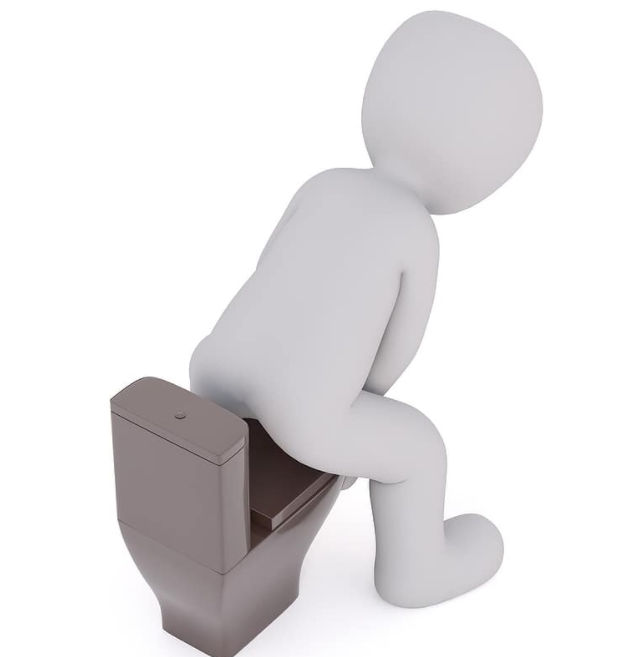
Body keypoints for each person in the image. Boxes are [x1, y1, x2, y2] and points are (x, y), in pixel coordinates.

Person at [190, 11, 542, 607]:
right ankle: (416, 571)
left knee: (300, 409)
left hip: (213, 366)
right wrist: (353, 422)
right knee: (420, 448)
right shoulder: (415, 231)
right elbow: (393, 349)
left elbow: (270, 266)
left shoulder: (325, 183)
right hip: (302, 412)